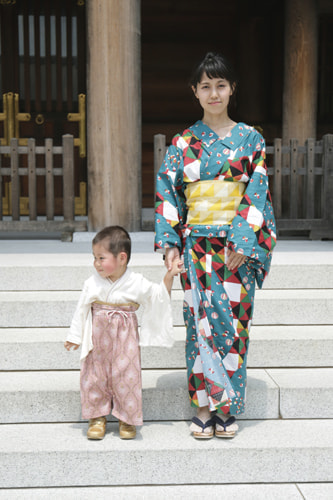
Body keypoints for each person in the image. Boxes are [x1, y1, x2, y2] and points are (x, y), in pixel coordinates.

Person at [155, 52, 276, 439]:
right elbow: (168, 194)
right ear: (195, 91)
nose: (213, 93)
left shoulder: (250, 140)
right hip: (196, 249)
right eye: (205, 86)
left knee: (234, 327)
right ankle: (203, 406)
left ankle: (227, 407)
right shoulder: (182, 143)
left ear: (231, 89)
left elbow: (257, 192)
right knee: (199, 326)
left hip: (235, 248)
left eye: (220, 85)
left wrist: (246, 238)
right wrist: (170, 243)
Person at [65, 225, 182, 440]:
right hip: (97, 335)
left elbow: (157, 296)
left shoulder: (135, 281)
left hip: (125, 334)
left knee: (126, 374)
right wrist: (75, 336)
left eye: (101, 258)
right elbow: (81, 308)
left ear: (121, 257)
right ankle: (97, 417)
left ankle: (127, 418)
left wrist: (169, 276)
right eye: (94, 258)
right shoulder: (91, 283)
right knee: (94, 375)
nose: (96, 264)